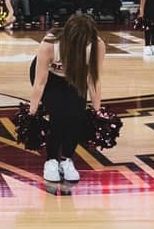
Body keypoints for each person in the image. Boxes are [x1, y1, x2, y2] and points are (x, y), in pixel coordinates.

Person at [28, 13, 106, 185]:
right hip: (50, 77)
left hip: (75, 76)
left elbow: (94, 80)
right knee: (57, 114)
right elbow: (40, 83)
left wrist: (98, 112)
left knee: (76, 115)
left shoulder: (98, 46)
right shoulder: (50, 45)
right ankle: (51, 161)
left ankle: (66, 159)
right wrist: (32, 113)